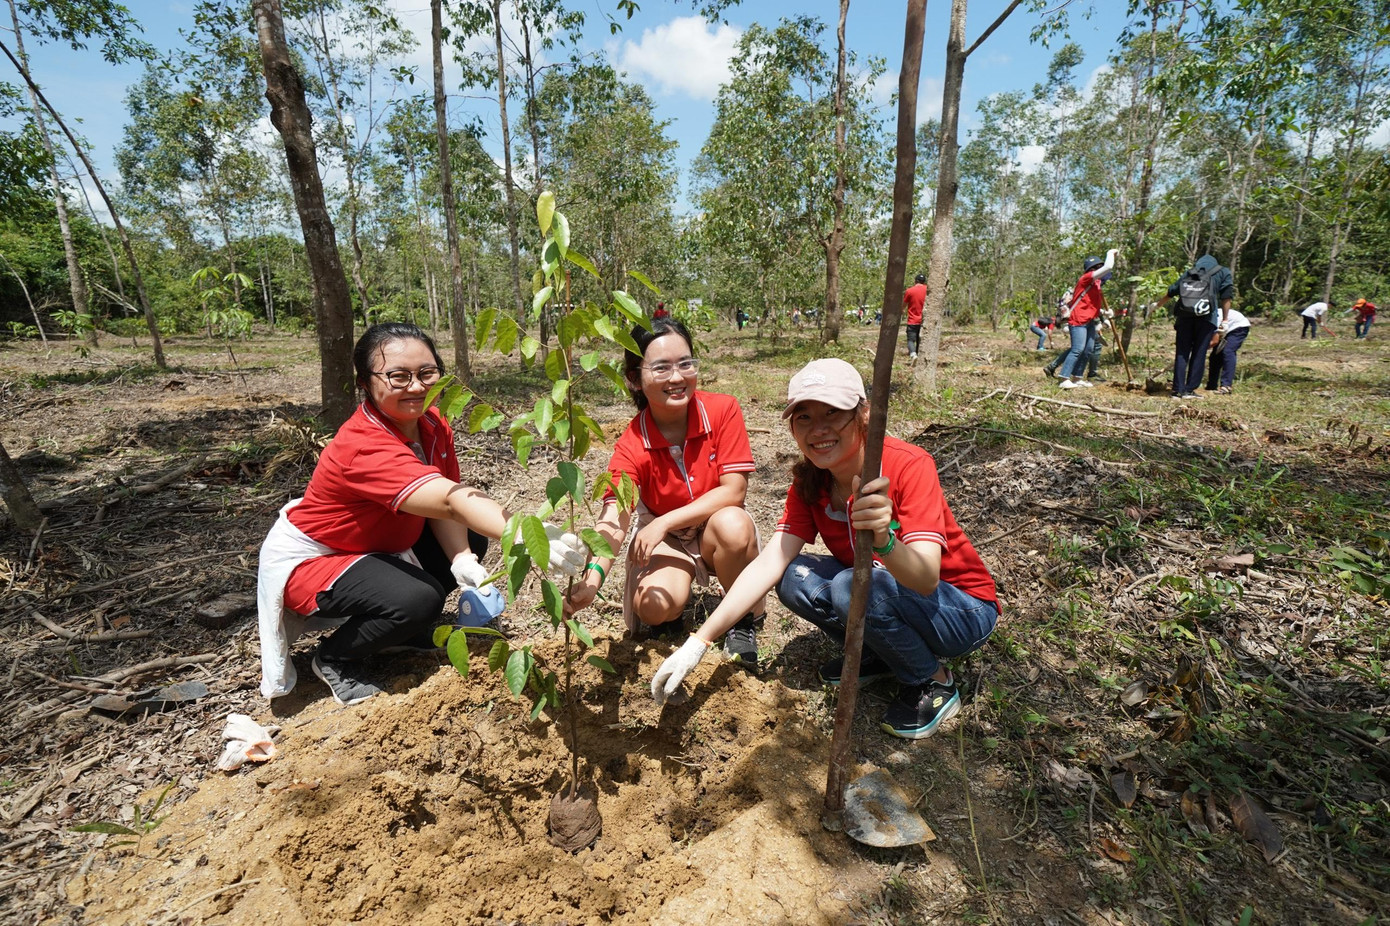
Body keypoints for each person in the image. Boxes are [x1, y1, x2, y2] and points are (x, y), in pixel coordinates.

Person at [650, 359, 999, 740]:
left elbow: (927, 578)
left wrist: (884, 539)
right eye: (804, 418)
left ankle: (933, 681)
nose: (819, 430)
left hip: (961, 610)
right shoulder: (810, 482)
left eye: (834, 413)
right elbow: (771, 561)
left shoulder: (907, 466)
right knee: (793, 577)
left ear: (863, 414)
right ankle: (882, 653)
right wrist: (698, 641)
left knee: (853, 585)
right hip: (881, 590)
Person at [256, 323, 586, 705]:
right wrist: (529, 532)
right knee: (418, 599)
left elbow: (447, 500)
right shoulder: (363, 445)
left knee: (471, 535)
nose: (415, 387)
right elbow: (450, 499)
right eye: (398, 376)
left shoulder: (431, 424)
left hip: (378, 540)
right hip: (321, 557)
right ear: (365, 381)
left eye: (427, 374)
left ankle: (402, 633)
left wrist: (462, 557)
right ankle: (336, 657)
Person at [564, 314, 765, 668]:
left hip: (715, 529)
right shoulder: (630, 443)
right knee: (654, 606)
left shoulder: (721, 410)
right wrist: (592, 582)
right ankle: (672, 613)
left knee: (734, 525)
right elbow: (615, 517)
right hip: (669, 540)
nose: (677, 377)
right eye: (660, 368)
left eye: (685, 364)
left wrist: (662, 520)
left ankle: (740, 620)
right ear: (634, 380)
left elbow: (733, 491)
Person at [1155, 254, 1234, 399]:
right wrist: (1225, 320)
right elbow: (1226, 296)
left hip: (1184, 317)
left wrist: (1157, 305)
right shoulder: (1223, 272)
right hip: (1206, 318)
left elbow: (1172, 291)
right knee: (1199, 353)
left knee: (1181, 352)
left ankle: (1177, 390)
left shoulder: (1190, 272)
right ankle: (1189, 390)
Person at [1058, 250, 1117, 390]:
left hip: (1090, 320)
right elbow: (1108, 267)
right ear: (1092, 270)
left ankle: (1077, 378)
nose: (1100, 271)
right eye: (1097, 268)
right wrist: (1110, 253)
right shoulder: (1085, 278)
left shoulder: (1096, 285)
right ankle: (1063, 378)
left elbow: (1089, 304)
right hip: (1078, 320)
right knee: (1077, 349)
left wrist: (1105, 313)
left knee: (1088, 350)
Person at [1205, 307, 1252, 395]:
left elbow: (1214, 341)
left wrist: (1200, 351)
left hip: (1238, 327)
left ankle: (1226, 386)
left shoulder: (1212, 318)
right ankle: (1211, 385)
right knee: (1215, 357)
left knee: (1228, 351)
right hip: (1224, 331)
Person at [904, 273, 929, 358]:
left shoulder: (909, 291)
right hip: (924, 321)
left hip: (912, 321)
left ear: (915, 281)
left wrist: (901, 311)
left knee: (911, 340)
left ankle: (913, 354)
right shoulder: (928, 290)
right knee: (920, 340)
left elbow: (904, 304)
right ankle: (919, 357)